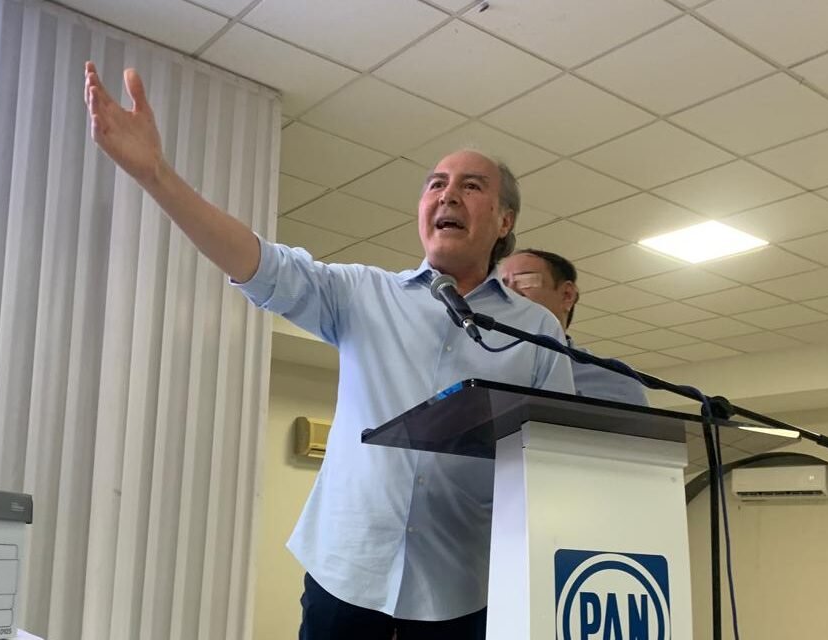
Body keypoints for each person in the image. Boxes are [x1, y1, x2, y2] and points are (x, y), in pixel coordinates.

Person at [84, 63, 574, 639]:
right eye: (436, 184)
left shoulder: (537, 333)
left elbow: (556, 465)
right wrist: (157, 176)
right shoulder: (364, 294)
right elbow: (261, 264)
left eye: (471, 186)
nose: (447, 194)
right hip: (346, 575)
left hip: (462, 589)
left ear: (505, 219)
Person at [499, 249, 649, 406]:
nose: (509, 292)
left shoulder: (616, 380)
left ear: (567, 295)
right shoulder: (485, 364)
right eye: (502, 285)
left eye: (525, 281)